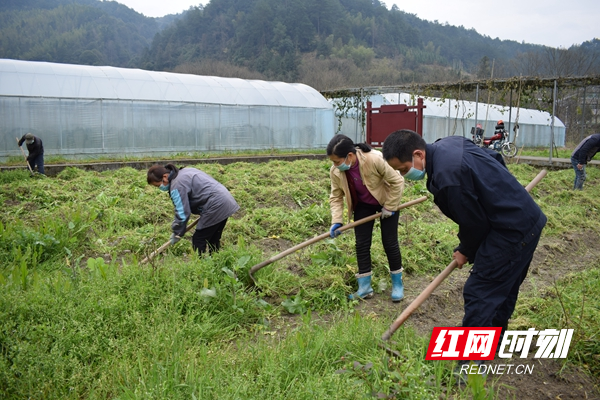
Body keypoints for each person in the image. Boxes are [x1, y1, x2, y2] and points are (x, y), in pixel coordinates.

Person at [382, 130, 546, 345]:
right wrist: (503, 191)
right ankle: (494, 342)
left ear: (418, 154)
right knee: (503, 286)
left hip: (511, 231)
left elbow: (475, 223)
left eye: (404, 169)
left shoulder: (448, 177)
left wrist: (466, 250)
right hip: (525, 219)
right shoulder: (449, 143)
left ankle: (469, 364)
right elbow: (494, 158)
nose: (404, 175)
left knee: (481, 291)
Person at [327, 134, 406, 302]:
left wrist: (390, 206)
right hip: (363, 205)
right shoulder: (335, 171)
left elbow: (397, 181)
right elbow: (335, 197)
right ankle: (364, 287)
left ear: (349, 156)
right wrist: (337, 221)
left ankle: (397, 284)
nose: (334, 165)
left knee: (389, 242)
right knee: (362, 244)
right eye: (332, 162)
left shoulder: (375, 159)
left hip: (386, 200)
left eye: (336, 161)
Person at [147, 164, 239, 256]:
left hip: (215, 205)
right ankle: (216, 262)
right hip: (225, 200)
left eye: (158, 185)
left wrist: (177, 232)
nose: (160, 188)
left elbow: (182, 212)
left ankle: (200, 266)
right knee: (213, 238)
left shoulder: (177, 185)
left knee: (199, 239)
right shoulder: (185, 172)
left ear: (165, 177)